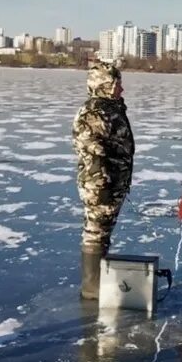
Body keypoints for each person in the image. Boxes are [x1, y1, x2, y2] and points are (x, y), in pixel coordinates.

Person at [72, 61, 135, 301]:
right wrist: (103, 184)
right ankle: (92, 287)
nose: (121, 89)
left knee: (102, 232)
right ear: (104, 85)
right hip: (100, 185)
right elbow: (93, 152)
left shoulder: (109, 108)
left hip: (111, 183)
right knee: (96, 231)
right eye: (117, 84)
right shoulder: (94, 112)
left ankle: (98, 280)